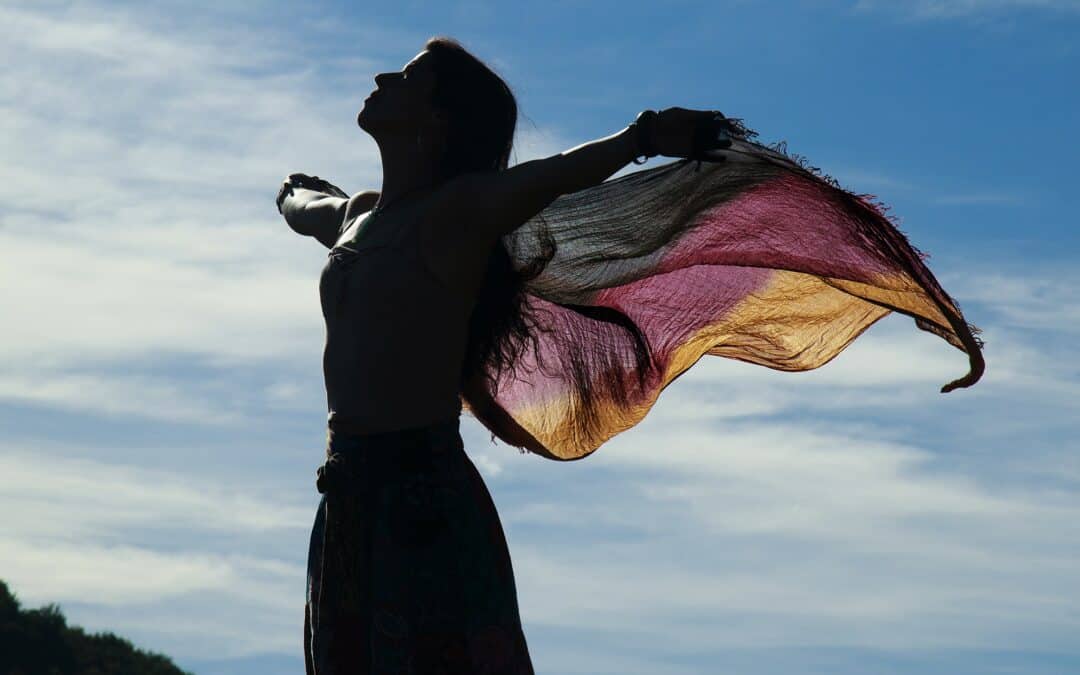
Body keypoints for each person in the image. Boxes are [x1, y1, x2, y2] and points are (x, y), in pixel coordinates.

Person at [277, 36, 726, 674]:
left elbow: (558, 173)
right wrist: (290, 193)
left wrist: (642, 135)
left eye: (406, 77)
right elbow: (308, 208)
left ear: (437, 120)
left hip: (422, 503)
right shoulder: (359, 217)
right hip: (347, 499)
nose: (382, 77)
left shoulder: (459, 213)